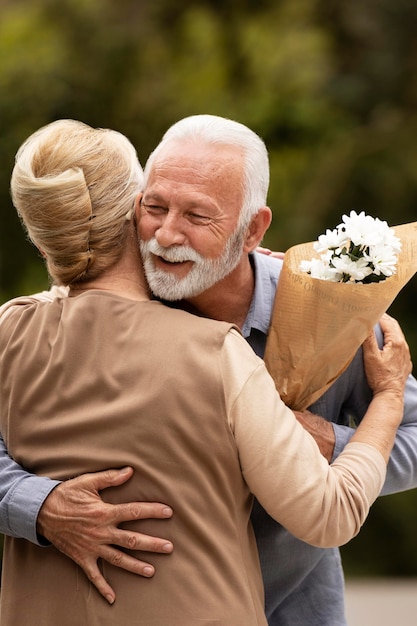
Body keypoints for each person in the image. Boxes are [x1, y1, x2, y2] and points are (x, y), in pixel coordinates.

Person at [0, 115, 416, 625]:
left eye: (198, 217)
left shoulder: (334, 314)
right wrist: (37, 504)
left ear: (253, 230)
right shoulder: (60, 315)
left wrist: (329, 440)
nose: (167, 235)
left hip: (293, 610)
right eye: (154, 207)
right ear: (129, 210)